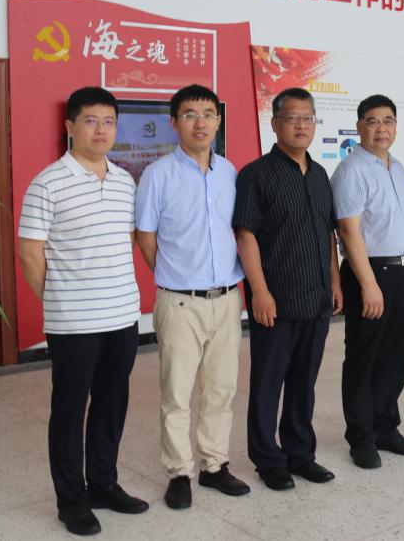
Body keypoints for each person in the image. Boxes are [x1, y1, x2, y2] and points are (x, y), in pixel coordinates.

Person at [18, 86, 148, 536]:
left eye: (109, 122)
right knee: (70, 410)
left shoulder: (125, 181)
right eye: (91, 121)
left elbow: (126, 242)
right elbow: (30, 254)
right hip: (73, 322)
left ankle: (104, 486)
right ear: (70, 126)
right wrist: (60, 298)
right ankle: (71, 499)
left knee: (112, 404)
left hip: (123, 317)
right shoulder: (47, 183)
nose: (101, 130)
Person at [135, 84, 250, 510]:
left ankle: (214, 466)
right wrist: (171, 276)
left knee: (221, 389)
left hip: (227, 298)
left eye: (207, 114)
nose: (199, 123)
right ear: (174, 122)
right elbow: (145, 236)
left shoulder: (230, 172)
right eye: (189, 114)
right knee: (176, 393)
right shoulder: (157, 174)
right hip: (179, 301)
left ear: (218, 121)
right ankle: (179, 473)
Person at [233, 87, 343, 491]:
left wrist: (334, 281)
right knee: (268, 383)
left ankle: (300, 453)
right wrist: (259, 292)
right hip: (275, 301)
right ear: (275, 123)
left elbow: (328, 234)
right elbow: (245, 235)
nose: (301, 125)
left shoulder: (320, 174)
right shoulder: (256, 174)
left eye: (307, 118)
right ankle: (267, 459)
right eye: (292, 118)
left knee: (303, 382)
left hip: (316, 298)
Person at [331, 94, 404, 469]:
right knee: (364, 357)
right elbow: (349, 232)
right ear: (359, 127)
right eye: (372, 121)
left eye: (388, 121)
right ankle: (361, 437)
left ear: (396, 126)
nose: (381, 128)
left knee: (395, 356)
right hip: (371, 274)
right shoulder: (351, 171)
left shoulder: (397, 167)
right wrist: (369, 285)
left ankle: (386, 427)